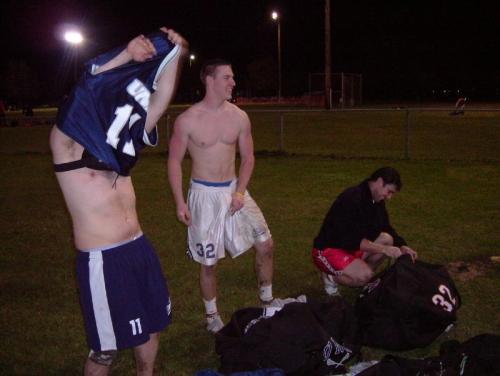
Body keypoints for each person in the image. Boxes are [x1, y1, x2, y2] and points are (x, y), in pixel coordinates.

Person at [50, 28, 188, 375]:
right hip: (103, 259)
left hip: (138, 248)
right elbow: (87, 87)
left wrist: (176, 55)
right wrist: (126, 57)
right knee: (105, 352)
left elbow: (158, 101)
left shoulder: (119, 145)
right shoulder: (65, 147)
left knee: (152, 327)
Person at [167, 59, 274, 333]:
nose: (233, 82)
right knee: (209, 263)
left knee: (266, 244)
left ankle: (267, 300)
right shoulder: (187, 120)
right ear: (209, 80)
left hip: (234, 189)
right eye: (227, 77)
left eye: (232, 77)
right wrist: (180, 202)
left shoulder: (239, 116)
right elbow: (174, 162)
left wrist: (240, 192)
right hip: (204, 195)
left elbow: (249, 158)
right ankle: (212, 316)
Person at [312, 167, 417, 293]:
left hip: (351, 247)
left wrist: (403, 246)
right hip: (329, 249)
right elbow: (349, 239)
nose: (389, 197)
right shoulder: (352, 198)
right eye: (389, 192)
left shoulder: (375, 200)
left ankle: (358, 275)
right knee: (365, 274)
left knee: (387, 239)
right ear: (379, 182)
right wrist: (384, 249)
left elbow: (385, 226)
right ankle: (331, 278)